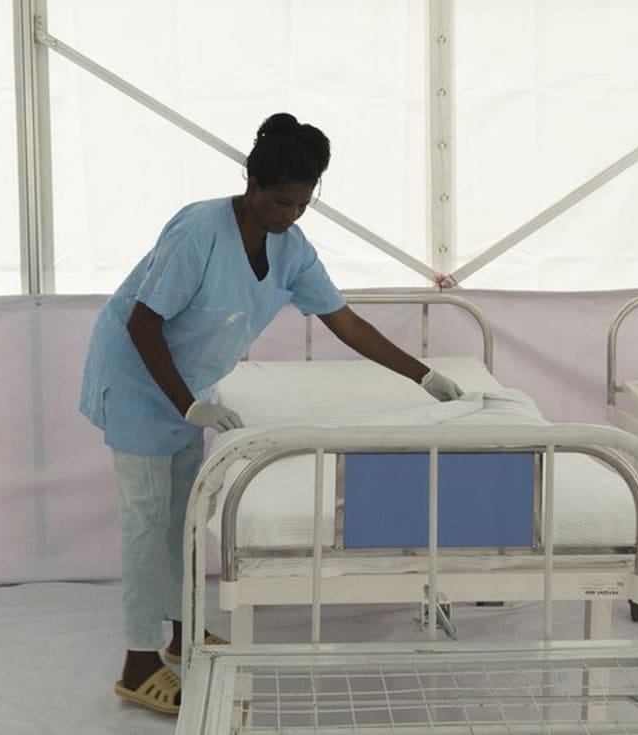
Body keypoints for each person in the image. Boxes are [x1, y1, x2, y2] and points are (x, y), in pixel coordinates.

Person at [79, 112, 464, 715]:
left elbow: (347, 323)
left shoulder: (292, 249)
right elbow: (142, 322)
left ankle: (182, 638)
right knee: (145, 523)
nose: (289, 214)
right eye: (281, 200)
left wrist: (426, 376)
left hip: (190, 389)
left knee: (181, 520)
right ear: (251, 183)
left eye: (302, 204)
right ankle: (137, 663)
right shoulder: (199, 230)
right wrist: (188, 405)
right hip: (137, 379)